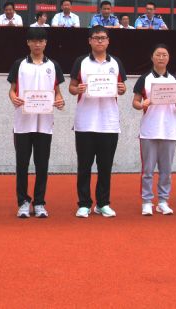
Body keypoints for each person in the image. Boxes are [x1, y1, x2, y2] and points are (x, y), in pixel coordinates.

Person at [69, 26, 127, 218]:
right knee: (84, 166)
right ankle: (84, 203)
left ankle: (103, 203)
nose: (100, 41)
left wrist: (122, 89)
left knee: (105, 166)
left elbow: (122, 87)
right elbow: (72, 87)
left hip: (109, 122)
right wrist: (77, 89)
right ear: (90, 41)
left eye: (103, 38)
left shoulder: (116, 62)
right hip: (85, 122)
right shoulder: (81, 62)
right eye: (96, 38)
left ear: (108, 40)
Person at [7, 27, 65, 218]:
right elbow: (12, 90)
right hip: (23, 123)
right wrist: (13, 98)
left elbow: (57, 92)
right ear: (28, 43)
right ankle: (23, 202)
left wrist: (60, 101)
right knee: (22, 165)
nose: (37, 44)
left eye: (41, 41)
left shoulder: (53, 65)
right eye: (34, 41)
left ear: (45, 43)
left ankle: (39, 203)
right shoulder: (19, 64)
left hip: (45, 123)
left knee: (42, 165)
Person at [133, 44, 176, 216]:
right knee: (147, 170)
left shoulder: (175, 80)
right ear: (152, 57)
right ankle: (147, 201)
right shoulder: (144, 79)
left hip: (169, 131)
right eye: (158, 55)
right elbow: (135, 102)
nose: (161, 58)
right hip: (149, 130)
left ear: (169, 58)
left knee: (166, 171)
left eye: (164, 55)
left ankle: (163, 201)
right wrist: (142, 104)